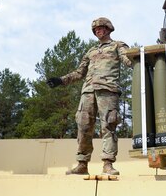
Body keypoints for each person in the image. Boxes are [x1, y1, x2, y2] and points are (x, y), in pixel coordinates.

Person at [47, 17, 132, 176]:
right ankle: (82, 164)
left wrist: (140, 57)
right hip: (87, 92)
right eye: (95, 30)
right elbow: (79, 72)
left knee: (108, 125)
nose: (98, 31)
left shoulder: (117, 45)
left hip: (107, 90)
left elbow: (129, 60)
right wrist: (61, 80)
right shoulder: (91, 51)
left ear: (108, 29)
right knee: (83, 126)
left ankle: (108, 164)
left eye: (100, 28)